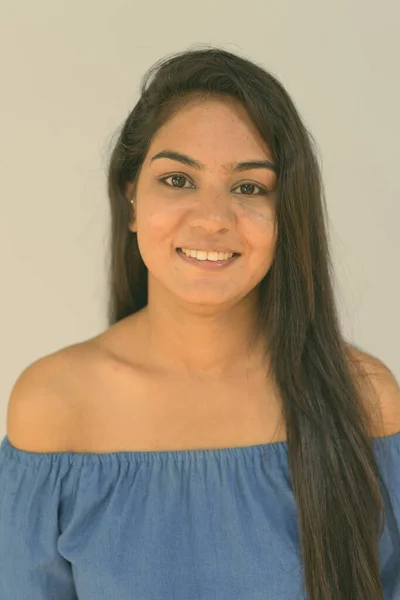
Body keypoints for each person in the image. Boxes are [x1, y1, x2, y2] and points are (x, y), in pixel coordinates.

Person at [0, 46, 399, 600]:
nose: (213, 219)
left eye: (249, 187)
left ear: (288, 214)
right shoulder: (52, 406)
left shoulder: (364, 397)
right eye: (178, 180)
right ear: (131, 198)